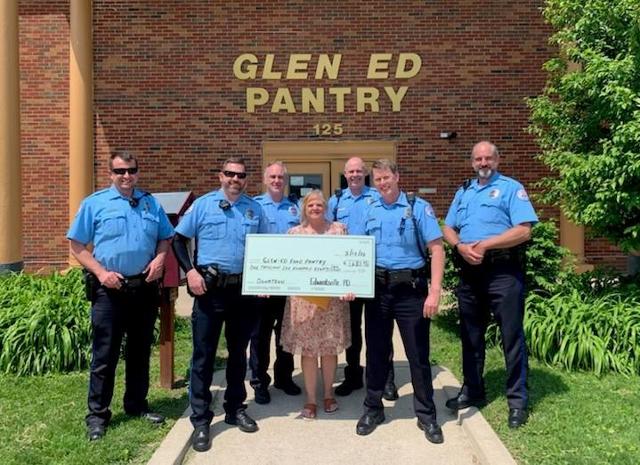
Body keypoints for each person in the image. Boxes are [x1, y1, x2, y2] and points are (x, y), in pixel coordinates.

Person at [67, 150, 174, 441]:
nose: (127, 176)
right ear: (110, 173)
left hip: (144, 288)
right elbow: (76, 246)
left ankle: (136, 405)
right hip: (109, 290)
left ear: (138, 172)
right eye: (120, 171)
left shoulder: (150, 203)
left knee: (139, 352)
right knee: (105, 355)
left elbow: (166, 236)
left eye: (131, 170)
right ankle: (97, 416)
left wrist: (160, 258)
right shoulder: (95, 204)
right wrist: (101, 274)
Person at [172, 157, 268, 452]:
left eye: (240, 175)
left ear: (246, 179)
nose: (234, 179)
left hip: (243, 291)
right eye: (229, 174)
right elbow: (178, 240)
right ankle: (201, 419)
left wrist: (265, 281)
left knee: (239, 353)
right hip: (209, 291)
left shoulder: (255, 208)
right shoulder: (202, 205)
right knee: (204, 355)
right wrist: (190, 272)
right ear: (220, 176)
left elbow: (266, 249)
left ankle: (235, 407)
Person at [442, 141, 538, 429]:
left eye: (488, 158)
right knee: (471, 335)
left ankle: (517, 401)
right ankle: (473, 390)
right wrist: (459, 246)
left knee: (511, 337)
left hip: (502, 272)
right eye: (478, 159)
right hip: (470, 272)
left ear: (497, 160)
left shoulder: (510, 188)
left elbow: (524, 230)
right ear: (472, 162)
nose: (483, 163)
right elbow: (448, 227)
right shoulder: (464, 191)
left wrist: (485, 245)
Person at [357, 159, 445, 444]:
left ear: (397, 176)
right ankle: (373, 408)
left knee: (417, 355)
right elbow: (358, 251)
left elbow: (437, 249)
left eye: (386, 177)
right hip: (378, 290)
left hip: (411, 290)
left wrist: (435, 292)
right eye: (378, 179)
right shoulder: (370, 210)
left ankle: (427, 415)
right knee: (376, 353)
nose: (382, 183)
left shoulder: (417, 207)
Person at [281, 190, 354, 419]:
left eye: (319, 205)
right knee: (310, 350)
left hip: (332, 303)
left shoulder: (339, 230)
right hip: (304, 302)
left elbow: (349, 262)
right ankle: (311, 400)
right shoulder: (294, 234)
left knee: (330, 348)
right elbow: (286, 267)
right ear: (304, 208)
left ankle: (329, 394)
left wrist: (351, 285)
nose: (315, 208)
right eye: (311, 205)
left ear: (326, 207)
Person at [328, 157, 397, 400]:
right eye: (351, 171)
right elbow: (326, 231)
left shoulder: (377, 196)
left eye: (359, 171)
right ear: (345, 174)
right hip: (349, 277)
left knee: (380, 329)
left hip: (376, 273)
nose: (355, 175)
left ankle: (386, 378)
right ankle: (354, 376)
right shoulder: (336, 201)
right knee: (352, 330)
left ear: (364, 174)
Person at [249, 161, 302, 404]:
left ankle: (284, 377)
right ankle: (259, 382)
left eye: (281, 177)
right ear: (265, 178)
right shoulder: (254, 206)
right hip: (264, 285)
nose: (277, 181)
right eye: (273, 176)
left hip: (290, 284)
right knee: (260, 336)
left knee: (287, 333)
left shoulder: (296, 208)